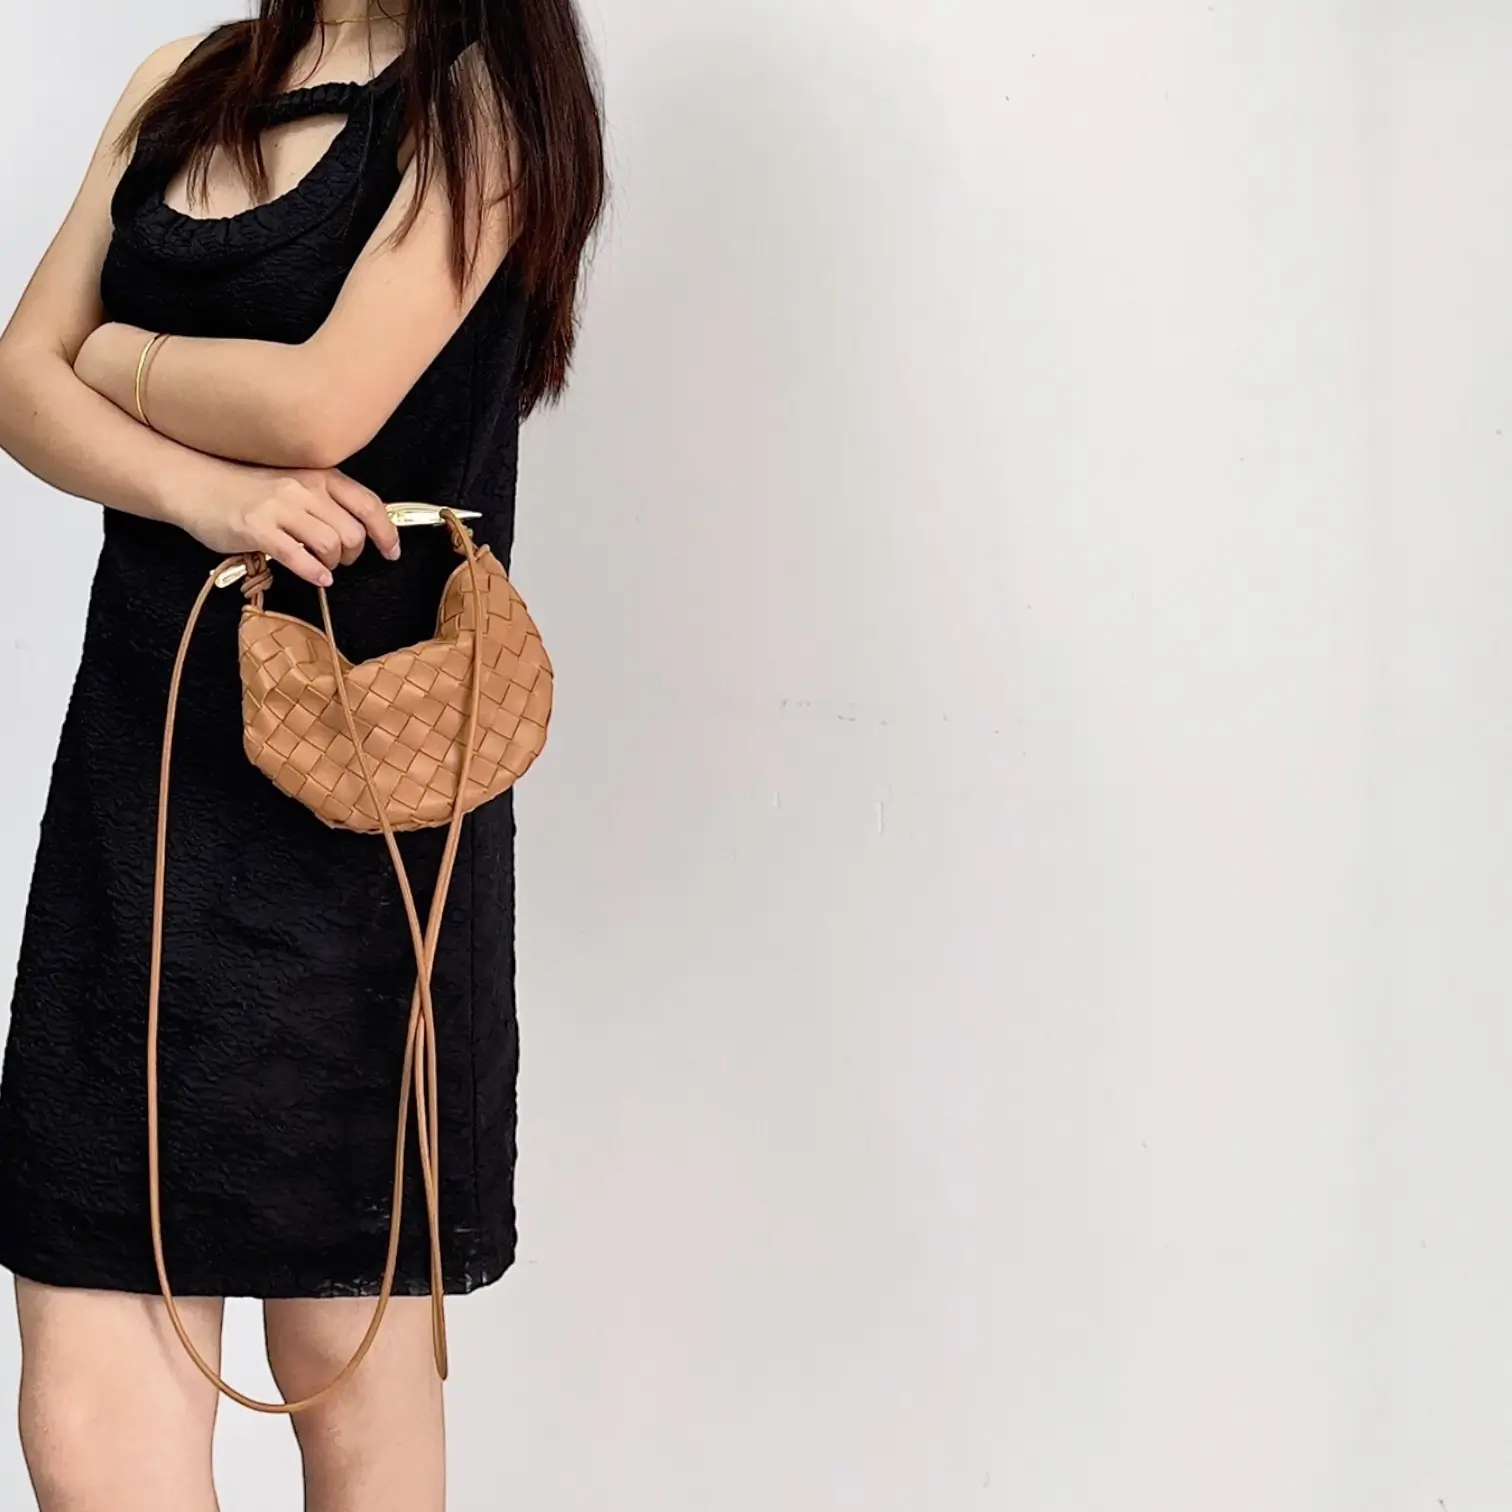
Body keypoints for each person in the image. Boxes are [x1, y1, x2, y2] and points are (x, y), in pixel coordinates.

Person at [0, 3, 604, 1507]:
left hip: (363, 808)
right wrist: (207, 492)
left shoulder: (487, 104)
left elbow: (322, 402)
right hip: (139, 784)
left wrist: (114, 354)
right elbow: (17, 381)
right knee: (84, 1387)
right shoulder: (184, 80)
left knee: (349, 1370)